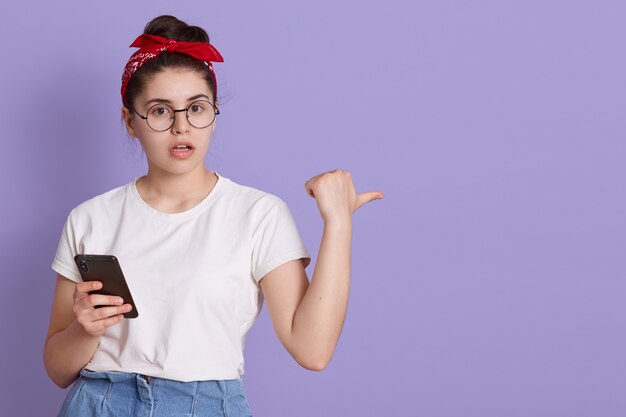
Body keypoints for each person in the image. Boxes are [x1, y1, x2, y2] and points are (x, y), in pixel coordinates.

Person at [43, 14, 384, 417]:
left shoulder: (258, 214)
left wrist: (338, 223)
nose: (181, 126)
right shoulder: (90, 218)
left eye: (197, 108)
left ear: (214, 113)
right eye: (159, 111)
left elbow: (313, 350)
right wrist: (84, 329)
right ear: (130, 122)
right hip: (97, 403)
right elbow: (57, 368)